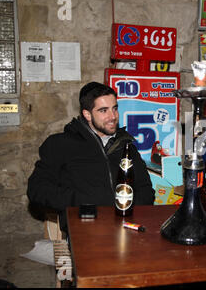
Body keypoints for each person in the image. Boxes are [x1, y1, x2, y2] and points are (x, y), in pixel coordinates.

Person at [27, 82, 155, 232]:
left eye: (114, 108)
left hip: (126, 227)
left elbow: (146, 190)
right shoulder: (61, 144)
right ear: (87, 114)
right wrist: (84, 202)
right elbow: (37, 189)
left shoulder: (126, 145)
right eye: (103, 110)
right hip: (84, 228)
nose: (112, 116)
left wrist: (126, 207)